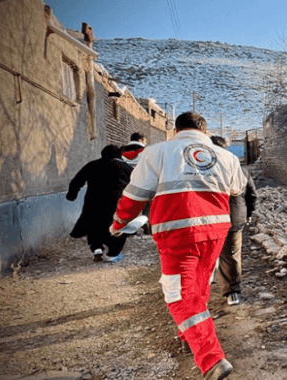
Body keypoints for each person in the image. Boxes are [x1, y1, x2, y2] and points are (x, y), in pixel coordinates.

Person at [110, 112, 246, 380]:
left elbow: (134, 196)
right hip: (215, 232)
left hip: (178, 234)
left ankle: (212, 359)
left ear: (176, 129)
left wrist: (117, 224)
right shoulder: (227, 157)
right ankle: (188, 337)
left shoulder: (157, 152)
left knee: (179, 295)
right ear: (205, 132)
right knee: (196, 287)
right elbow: (236, 189)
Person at [210, 136, 257, 307]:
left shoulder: (200, 170)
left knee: (210, 250)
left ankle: (214, 281)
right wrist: (249, 213)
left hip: (208, 218)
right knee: (231, 254)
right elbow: (252, 194)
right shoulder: (240, 169)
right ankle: (231, 291)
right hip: (233, 217)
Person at [67, 145, 133, 263]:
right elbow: (136, 184)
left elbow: (77, 180)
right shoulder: (125, 167)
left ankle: (97, 248)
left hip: (93, 202)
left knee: (94, 225)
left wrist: (72, 194)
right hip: (116, 203)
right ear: (118, 155)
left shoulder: (92, 165)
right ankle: (113, 254)